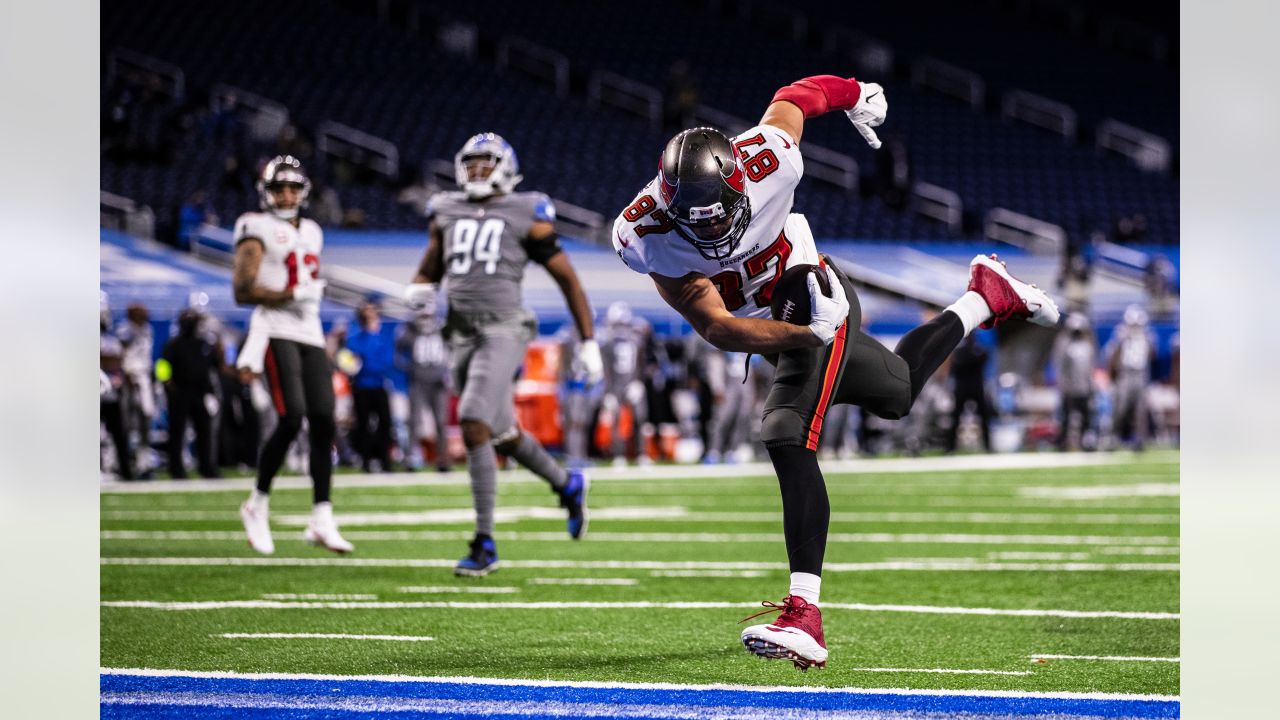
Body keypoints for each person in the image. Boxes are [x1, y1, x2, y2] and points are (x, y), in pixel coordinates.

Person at [610, 75, 1060, 670]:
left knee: (784, 432)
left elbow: (794, 97)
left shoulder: (770, 159)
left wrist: (855, 93)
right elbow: (717, 327)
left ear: (739, 183)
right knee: (896, 391)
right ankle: (985, 297)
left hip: (811, 291)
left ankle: (804, 614)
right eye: (700, 222)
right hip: (778, 326)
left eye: (722, 216)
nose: (715, 232)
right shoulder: (643, 234)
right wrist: (802, 338)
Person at [404, 133, 600, 576]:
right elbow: (430, 266)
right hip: (459, 333)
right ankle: (567, 484)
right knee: (501, 431)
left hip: (504, 328)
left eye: (485, 163)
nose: (476, 171)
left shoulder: (526, 210)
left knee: (473, 421)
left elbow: (568, 279)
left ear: (507, 168)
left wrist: (587, 341)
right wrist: (420, 288)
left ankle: (484, 542)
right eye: (470, 163)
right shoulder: (446, 209)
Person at [232, 155, 353, 555]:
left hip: (310, 331)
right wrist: (291, 293)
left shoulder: (314, 231)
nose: (286, 195)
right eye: (278, 188)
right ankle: (257, 503)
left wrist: (305, 294)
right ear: (266, 192)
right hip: (275, 329)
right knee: (291, 417)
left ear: (303, 191)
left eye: (292, 188)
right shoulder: (255, 226)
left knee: (323, 421)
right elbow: (242, 290)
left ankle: (321, 515)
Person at [159, 308, 221, 479]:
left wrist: (211, 391)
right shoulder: (173, 344)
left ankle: (206, 467)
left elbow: (214, 366)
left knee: (204, 431)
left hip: (200, 392)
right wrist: (167, 383)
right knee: (177, 432)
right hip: (180, 392)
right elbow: (162, 365)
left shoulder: (204, 344)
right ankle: (176, 468)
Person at [397, 310, 453, 472]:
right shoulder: (410, 329)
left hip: (438, 382)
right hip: (418, 381)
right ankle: (410, 459)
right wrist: (409, 369)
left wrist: (447, 370)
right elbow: (398, 351)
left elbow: (453, 349)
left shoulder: (443, 328)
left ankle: (443, 460)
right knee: (413, 421)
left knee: (441, 422)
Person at [345, 298, 396, 472]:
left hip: (379, 384)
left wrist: (366, 361)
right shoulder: (355, 337)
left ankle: (385, 461)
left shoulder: (382, 337)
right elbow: (351, 361)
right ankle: (366, 461)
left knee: (385, 423)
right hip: (361, 386)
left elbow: (386, 361)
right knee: (362, 424)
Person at [600, 301, 649, 467]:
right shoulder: (607, 344)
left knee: (640, 419)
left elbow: (642, 363)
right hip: (616, 385)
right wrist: (608, 392)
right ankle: (618, 455)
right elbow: (606, 369)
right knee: (617, 421)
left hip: (632, 382)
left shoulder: (637, 341)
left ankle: (642, 454)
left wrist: (639, 382)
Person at [1106, 305, 1155, 450]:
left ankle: (1139, 440)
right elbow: (1112, 357)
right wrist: (1113, 375)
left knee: (1140, 409)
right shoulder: (1121, 335)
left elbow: (1152, 355)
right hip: (1125, 374)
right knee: (1120, 407)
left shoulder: (1147, 337)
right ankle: (1113, 437)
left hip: (1140, 374)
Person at [1053, 313, 1098, 451]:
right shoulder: (1064, 344)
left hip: (1084, 387)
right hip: (1070, 387)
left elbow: (1090, 367)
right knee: (1065, 417)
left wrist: (1091, 386)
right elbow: (1060, 366)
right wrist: (1063, 385)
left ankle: (1087, 442)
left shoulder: (1088, 345)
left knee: (1086, 417)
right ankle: (1062, 442)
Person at [945, 334, 993, 453]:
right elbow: (956, 367)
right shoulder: (973, 351)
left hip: (972, 387)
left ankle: (987, 446)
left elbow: (957, 367)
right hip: (967, 387)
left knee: (983, 417)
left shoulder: (962, 353)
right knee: (956, 417)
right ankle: (951, 447)